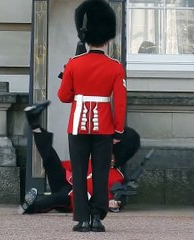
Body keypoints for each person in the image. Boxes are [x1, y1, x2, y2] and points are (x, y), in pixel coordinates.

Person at [57, 0, 127, 232]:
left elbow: (63, 97)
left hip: (77, 126)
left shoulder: (74, 64)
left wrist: (69, 76)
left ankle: (82, 219)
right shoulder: (115, 67)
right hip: (105, 127)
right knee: (99, 172)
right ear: (107, 38)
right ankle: (97, 217)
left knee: (78, 172)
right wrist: (118, 130)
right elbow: (120, 101)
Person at [19, 100, 139, 215]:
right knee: (51, 158)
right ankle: (34, 124)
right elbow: (68, 167)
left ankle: (29, 208)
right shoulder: (96, 159)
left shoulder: (117, 176)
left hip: (75, 200)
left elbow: (107, 197)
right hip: (66, 186)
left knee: (59, 197)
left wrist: (114, 202)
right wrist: (58, 168)